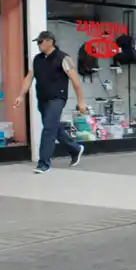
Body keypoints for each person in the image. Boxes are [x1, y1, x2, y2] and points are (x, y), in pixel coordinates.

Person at [13, 31, 88, 173]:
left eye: (40, 42)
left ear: (50, 41)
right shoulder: (37, 59)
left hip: (57, 98)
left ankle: (44, 163)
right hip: (43, 99)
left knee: (48, 129)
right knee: (54, 127)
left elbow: (76, 82)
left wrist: (81, 102)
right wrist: (21, 95)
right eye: (37, 42)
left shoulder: (64, 58)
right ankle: (75, 149)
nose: (38, 45)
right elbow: (29, 77)